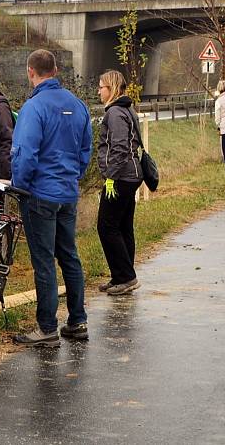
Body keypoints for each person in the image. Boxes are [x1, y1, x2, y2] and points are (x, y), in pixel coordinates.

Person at [11, 49, 92, 347]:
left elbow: (24, 154)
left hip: (39, 194)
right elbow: (86, 150)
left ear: (30, 72)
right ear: (56, 70)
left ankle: (47, 328)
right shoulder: (78, 105)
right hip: (67, 193)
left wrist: (21, 185)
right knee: (69, 256)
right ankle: (77, 320)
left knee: (44, 261)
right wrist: (72, 176)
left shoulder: (34, 108)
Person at [96, 70, 143, 296]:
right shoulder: (127, 109)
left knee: (106, 226)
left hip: (121, 177)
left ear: (112, 88)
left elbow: (120, 148)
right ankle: (121, 274)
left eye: (101, 87)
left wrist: (110, 177)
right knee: (123, 227)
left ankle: (126, 276)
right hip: (130, 175)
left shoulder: (114, 113)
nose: (98, 91)